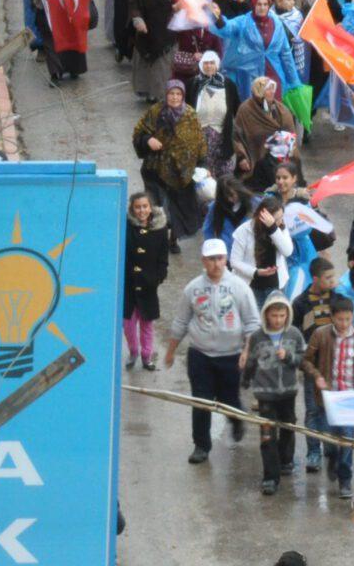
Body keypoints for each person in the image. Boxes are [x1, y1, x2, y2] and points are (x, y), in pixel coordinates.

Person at [163, 237, 258, 463]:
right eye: (211, 259)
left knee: (229, 398)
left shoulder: (239, 288)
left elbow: (253, 323)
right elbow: (181, 321)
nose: (216, 264)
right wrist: (170, 350)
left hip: (231, 355)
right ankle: (201, 445)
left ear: (226, 260)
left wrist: (246, 351)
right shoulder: (193, 289)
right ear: (203, 261)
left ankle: (236, 420)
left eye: (220, 258)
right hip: (200, 355)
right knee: (201, 401)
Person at [302, 293, 354, 499]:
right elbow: (306, 360)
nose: (344, 323)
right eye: (340, 319)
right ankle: (332, 459)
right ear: (332, 317)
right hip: (328, 399)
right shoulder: (320, 334)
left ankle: (345, 480)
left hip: (350, 399)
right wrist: (316, 376)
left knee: (348, 440)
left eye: (348, 319)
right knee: (332, 441)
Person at [242, 295, 308, 495]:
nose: (278, 319)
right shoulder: (257, 337)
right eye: (274, 315)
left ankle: (285, 460)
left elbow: (303, 359)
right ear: (266, 315)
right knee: (267, 435)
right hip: (265, 395)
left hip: (288, 392)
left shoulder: (295, 334)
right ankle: (270, 477)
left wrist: (288, 357)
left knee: (288, 428)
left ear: (287, 314)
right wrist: (245, 379)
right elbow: (251, 362)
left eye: (282, 315)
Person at [132, 82, 207, 248]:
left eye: (178, 94)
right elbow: (139, 132)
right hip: (156, 169)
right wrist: (148, 140)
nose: (174, 97)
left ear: (183, 96)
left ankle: (174, 238)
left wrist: (202, 165)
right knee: (158, 206)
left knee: (178, 208)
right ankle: (158, 237)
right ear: (166, 95)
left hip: (182, 172)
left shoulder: (190, 115)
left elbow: (199, 141)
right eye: (171, 94)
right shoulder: (156, 111)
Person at [122, 192, 171, 371]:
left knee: (147, 324)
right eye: (137, 207)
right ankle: (133, 351)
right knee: (128, 324)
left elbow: (163, 257)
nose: (142, 210)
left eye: (145, 206)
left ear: (150, 208)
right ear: (132, 209)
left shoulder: (160, 229)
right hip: (128, 285)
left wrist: (158, 276)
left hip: (149, 285)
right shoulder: (126, 226)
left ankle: (146, 356)